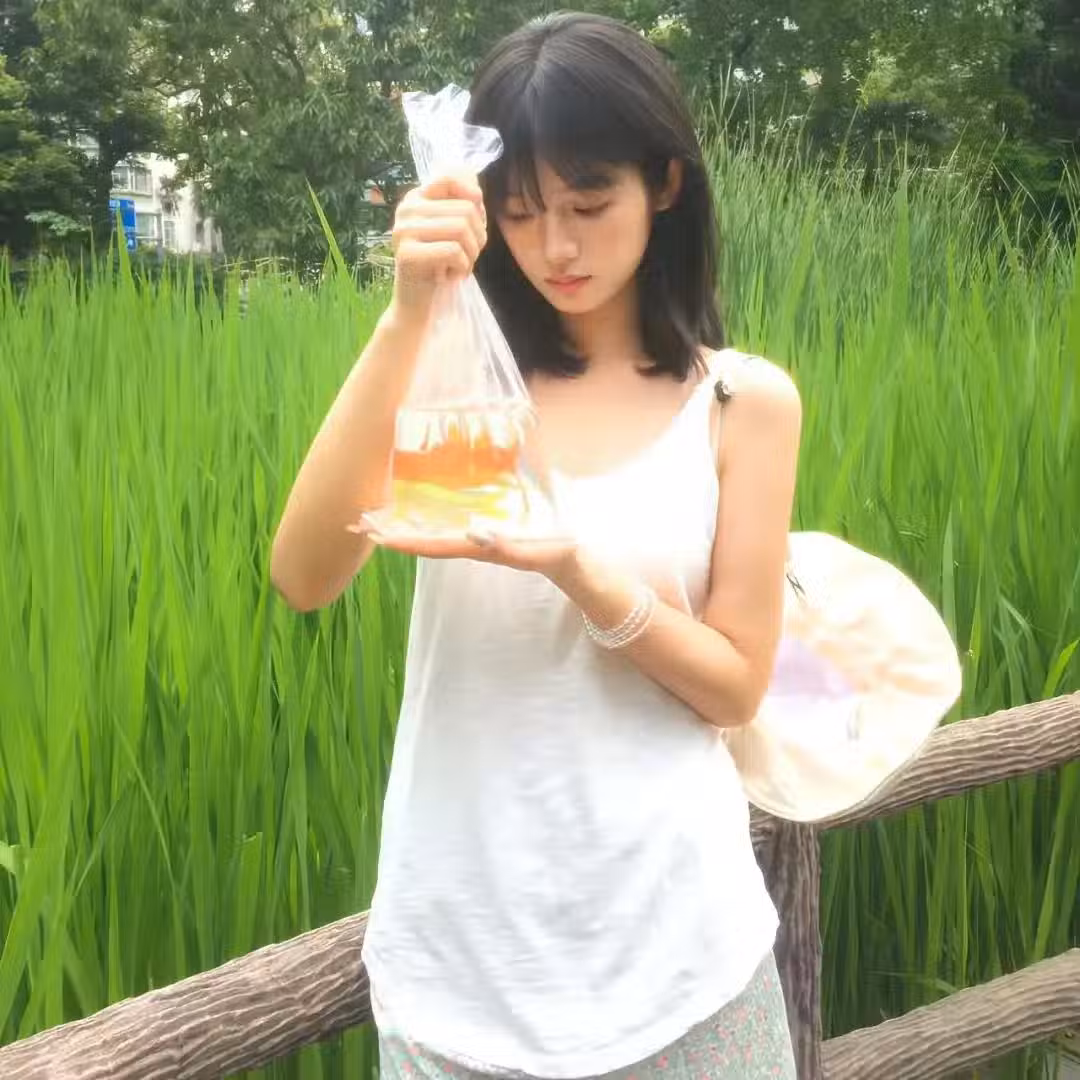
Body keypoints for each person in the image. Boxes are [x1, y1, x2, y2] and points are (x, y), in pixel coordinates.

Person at [270, 11, 801, 1080]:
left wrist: (579, 571)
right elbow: (305, 576)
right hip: (461, 968)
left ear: (665, 183)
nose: (556, 246)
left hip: (683, 963)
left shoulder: (741, 402)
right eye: (520, 211)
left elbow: (737, 688)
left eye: (588, 205)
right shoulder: (454, 387)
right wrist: (407, 315)